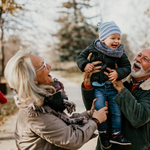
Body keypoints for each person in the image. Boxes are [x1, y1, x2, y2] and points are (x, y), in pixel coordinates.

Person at [4, 50, 108, 150]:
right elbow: (72, 139)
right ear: (33, 79)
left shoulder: (43, 102)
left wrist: (89, 114)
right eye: (43, 65)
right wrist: (95, 121)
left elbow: (61, 126)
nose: (49, 66)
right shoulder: (36, 113)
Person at [81, 48, 150, 150]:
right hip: (106, 147)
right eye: (139, 55)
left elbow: (138, 118)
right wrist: (87, 82)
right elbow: (93, 109)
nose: (138, 59)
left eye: (145, 59)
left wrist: (120, 88)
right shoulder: (117, 77)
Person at [77, 21, 131, 149]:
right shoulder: (93, 48)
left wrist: (118, 73)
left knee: (116, 111)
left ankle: (116, 134)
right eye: (113, 38)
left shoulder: (120, 53)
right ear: (103, 39)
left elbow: (127, 67)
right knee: (100, 110)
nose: (116, 41)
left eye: (118, 38)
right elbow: (81, 57)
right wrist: (85, 65)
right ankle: (103, 133)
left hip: (112, 87)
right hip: (98, 87)